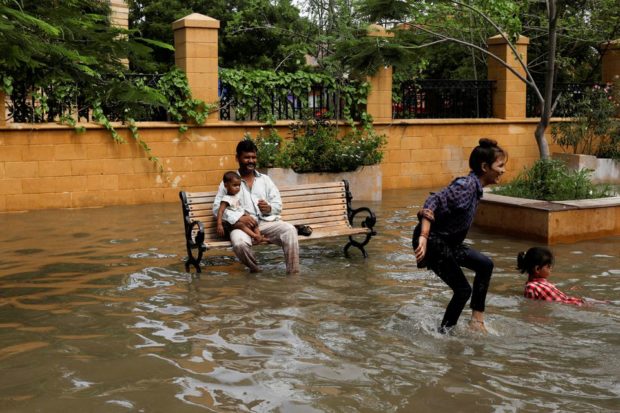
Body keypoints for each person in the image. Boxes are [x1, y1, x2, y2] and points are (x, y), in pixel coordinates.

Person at [413, 138, 507, 334]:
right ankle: (444, 334)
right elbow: (434, 199)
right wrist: (423, 236)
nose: (503, 170)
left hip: (448, 242)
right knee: (463, 290)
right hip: (433, 241)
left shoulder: (475, 188)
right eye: (500, 165)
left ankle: (477, 322)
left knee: (485, 264)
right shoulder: (465, 186)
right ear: (484, 167)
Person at [213, 140, 300, 274]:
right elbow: (216, 209)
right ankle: (256, 270)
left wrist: (269, 208)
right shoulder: (229, 182)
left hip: (266, 223)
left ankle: (293, 274)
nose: (251, 161)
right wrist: (239, 218)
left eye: (253, 157)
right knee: (239, 244)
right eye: (246, 157)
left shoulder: (265, 180)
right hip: (243, 228)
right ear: (238, 158)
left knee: (290, 230)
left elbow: (278, 204)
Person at [517, 247, 585, 305]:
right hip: (574, 303)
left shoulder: (532, 286)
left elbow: (531, 305)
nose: (551, 268)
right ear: (537, 269)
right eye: (548, 266)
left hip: (570, 304)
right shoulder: (535, 286)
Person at [216, 171, 268, 244]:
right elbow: (220, 211)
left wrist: (246, 214)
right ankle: (255, 236)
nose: (237, 188)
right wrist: (219, 224)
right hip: (231, 223)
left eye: (239, 185)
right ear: (226, 185)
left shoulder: (236, 196)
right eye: (234, 185)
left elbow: (238, 208)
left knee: (254, 222)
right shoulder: (226, 199)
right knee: (241, 225)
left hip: (239, 219)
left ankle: (258, 237)